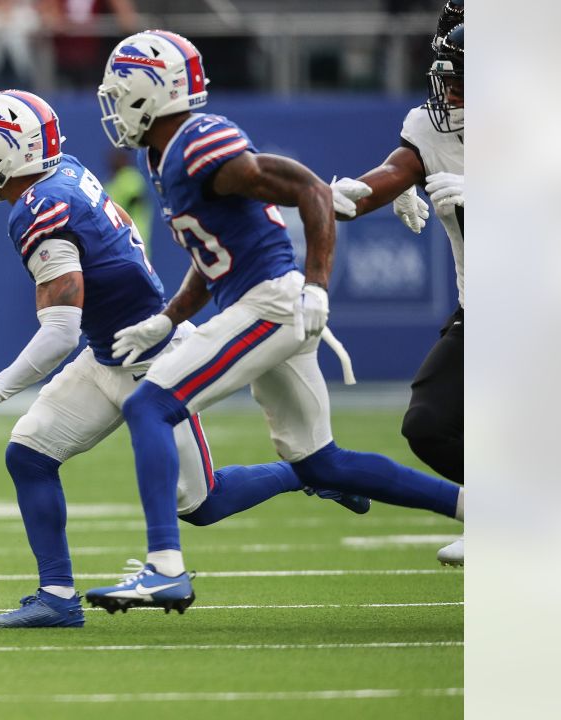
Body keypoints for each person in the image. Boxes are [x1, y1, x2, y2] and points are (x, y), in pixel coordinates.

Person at [0, 89, 369, 629]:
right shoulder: (62, 176)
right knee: (29, 453)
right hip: (109, 352)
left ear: (6, 151)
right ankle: (56, 596)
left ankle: (308, 473)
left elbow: (59, 332)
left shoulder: (40, 207)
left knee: (203, 505)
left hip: (149, 360)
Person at [85, 30, 464, 614]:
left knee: (149, 406)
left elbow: (308, 189)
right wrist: (166, 321)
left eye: (121, 92)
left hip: (271, 303)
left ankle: (165, 568)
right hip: (259, 299)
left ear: (151, 92)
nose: (113, 105)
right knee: (321, 462)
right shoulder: (162, 153)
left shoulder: (197, 142)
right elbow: (211, 255)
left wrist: (316, 284)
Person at [330, 2, 465, 567]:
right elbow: (391, 174)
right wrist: (337, 196)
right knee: (429, 425)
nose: (448, 95)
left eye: (459, 83)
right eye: (447, 80)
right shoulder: (430, 130)